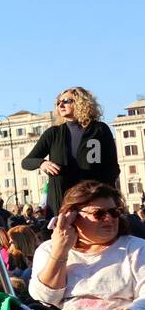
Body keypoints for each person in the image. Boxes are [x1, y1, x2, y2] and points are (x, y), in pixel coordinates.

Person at [29, 182, 145, 310]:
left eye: (114, 212)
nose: (109, 218)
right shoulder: (48, 250)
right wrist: (60, 251)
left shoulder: (136, 247)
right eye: (99, 214)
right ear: (72, 216)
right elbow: (44, 299)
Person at [22, 87, 120, 218]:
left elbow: (112, 167)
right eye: (58, 102)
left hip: (93, 200)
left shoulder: (100, 129)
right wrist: (42, 163)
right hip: (62, 201)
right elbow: (26, 162)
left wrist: (103, 193)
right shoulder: (53, 133)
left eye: (67, 101)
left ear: (81, 102)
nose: (61, 105)